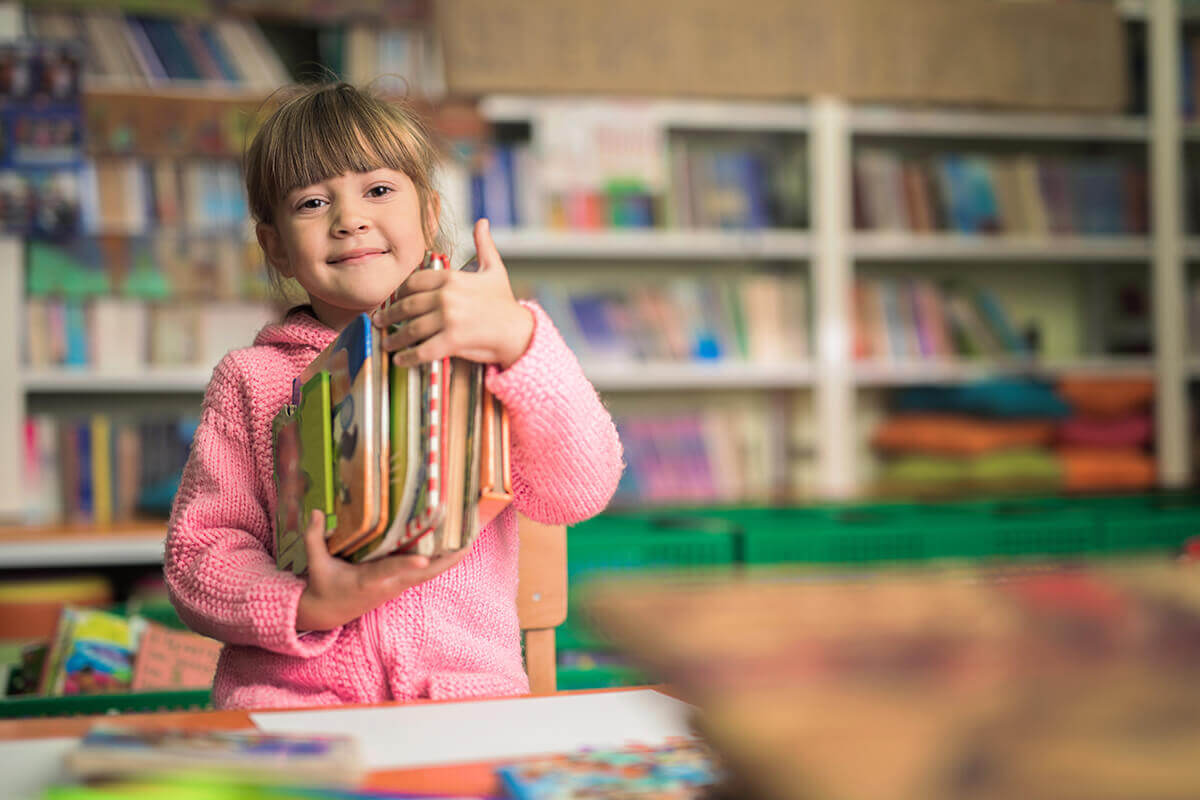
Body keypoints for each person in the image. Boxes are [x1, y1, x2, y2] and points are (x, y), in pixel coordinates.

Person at [164, 82, 624, 709]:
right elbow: (199, 556)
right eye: (312, 202)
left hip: (463, 704)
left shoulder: (487, 350)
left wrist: (521, 341)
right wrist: (306, 605)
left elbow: (580, 488)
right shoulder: (249, 379)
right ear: (273, 245)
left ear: (429, 213)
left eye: (378, 190)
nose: (349, 218)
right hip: (292, 707)